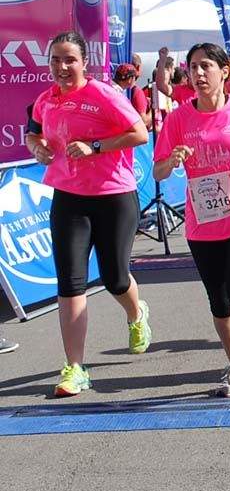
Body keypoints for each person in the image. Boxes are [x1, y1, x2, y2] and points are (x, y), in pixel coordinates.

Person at [25, 32, 152, 397]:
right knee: (70, 282)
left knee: (114, 277)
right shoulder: (45, 100)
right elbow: (34, 134)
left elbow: (140, 133)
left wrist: (96, 146)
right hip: (68, 196)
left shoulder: (103, 95)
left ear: (84, 63)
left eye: (70, 60)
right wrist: (37, 148)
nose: (62, 68)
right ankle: (75, 368)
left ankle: (136, 313)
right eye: (55, 61)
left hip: (113, 195)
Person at [152, 43, 230, 397]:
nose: (198, 74)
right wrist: (173, 159)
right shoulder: (179, 117)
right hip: (204, 220)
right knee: (219, 300)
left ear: (225, 71)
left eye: (205, 66)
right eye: (192, 67)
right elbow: (159, 171)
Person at [113, 63, 151, 129]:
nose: (135, 80)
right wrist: (154, 110)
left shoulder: (110, 87)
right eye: (135, 77)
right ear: (130, 79)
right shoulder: (117, 94)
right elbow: (143, 121)